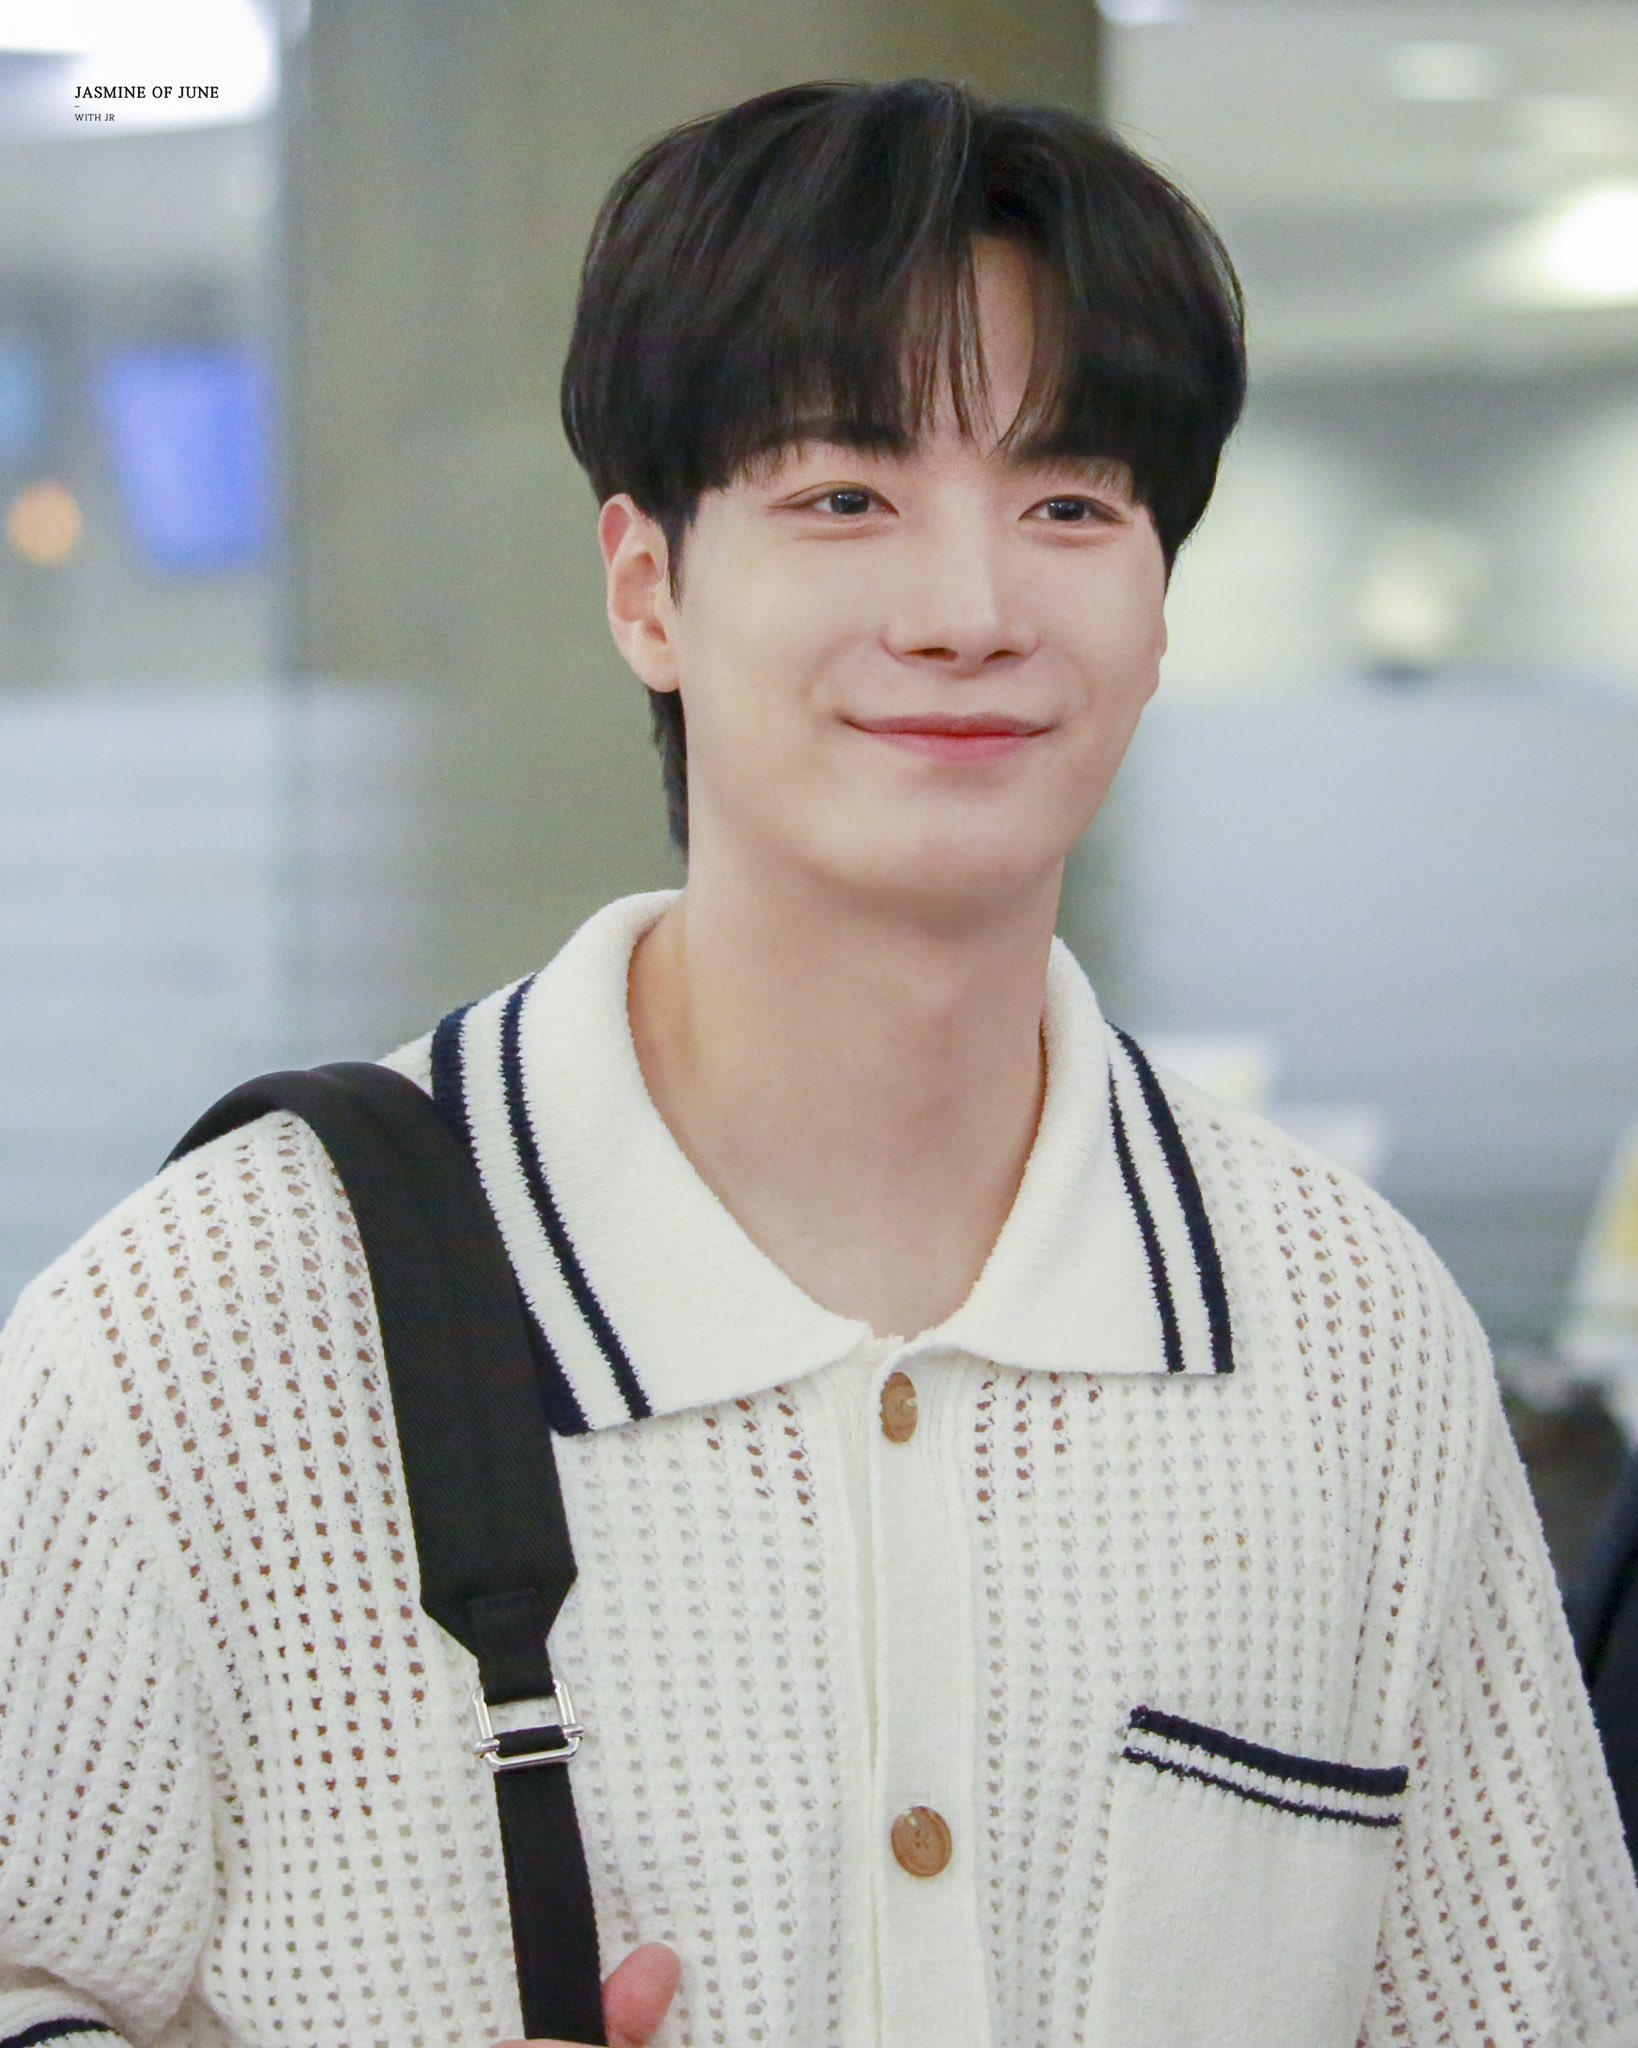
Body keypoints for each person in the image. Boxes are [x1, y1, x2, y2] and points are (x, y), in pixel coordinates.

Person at [1, 76, 1635, 2048]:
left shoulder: (1346, 1336)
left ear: (1157, 602)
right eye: (844, 497)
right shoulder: (217, 1321)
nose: (968, 612)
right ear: (647, 588)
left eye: (1069, 506)